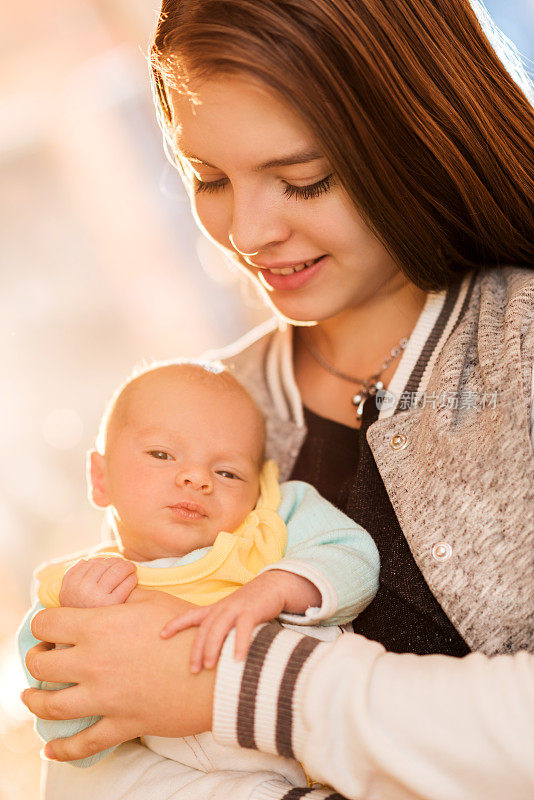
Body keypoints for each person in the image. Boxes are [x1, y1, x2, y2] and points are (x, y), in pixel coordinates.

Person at [21, 0, 534, 798]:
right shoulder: (205, 418)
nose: (248, 232)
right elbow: (99, 753)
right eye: (209, 179)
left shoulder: (521, 345)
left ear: (420, 133)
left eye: (303, 180)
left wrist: (241, 691)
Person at [18, 361, 378, 785]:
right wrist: (74, 636)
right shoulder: (71, 592)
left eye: (227, 472)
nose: (196, 477)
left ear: (259, 485)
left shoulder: (269, 522)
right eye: (161, 454)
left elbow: (355, 557)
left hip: (331, 743)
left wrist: (279, 586)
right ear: (100, 478)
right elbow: (73, 743)